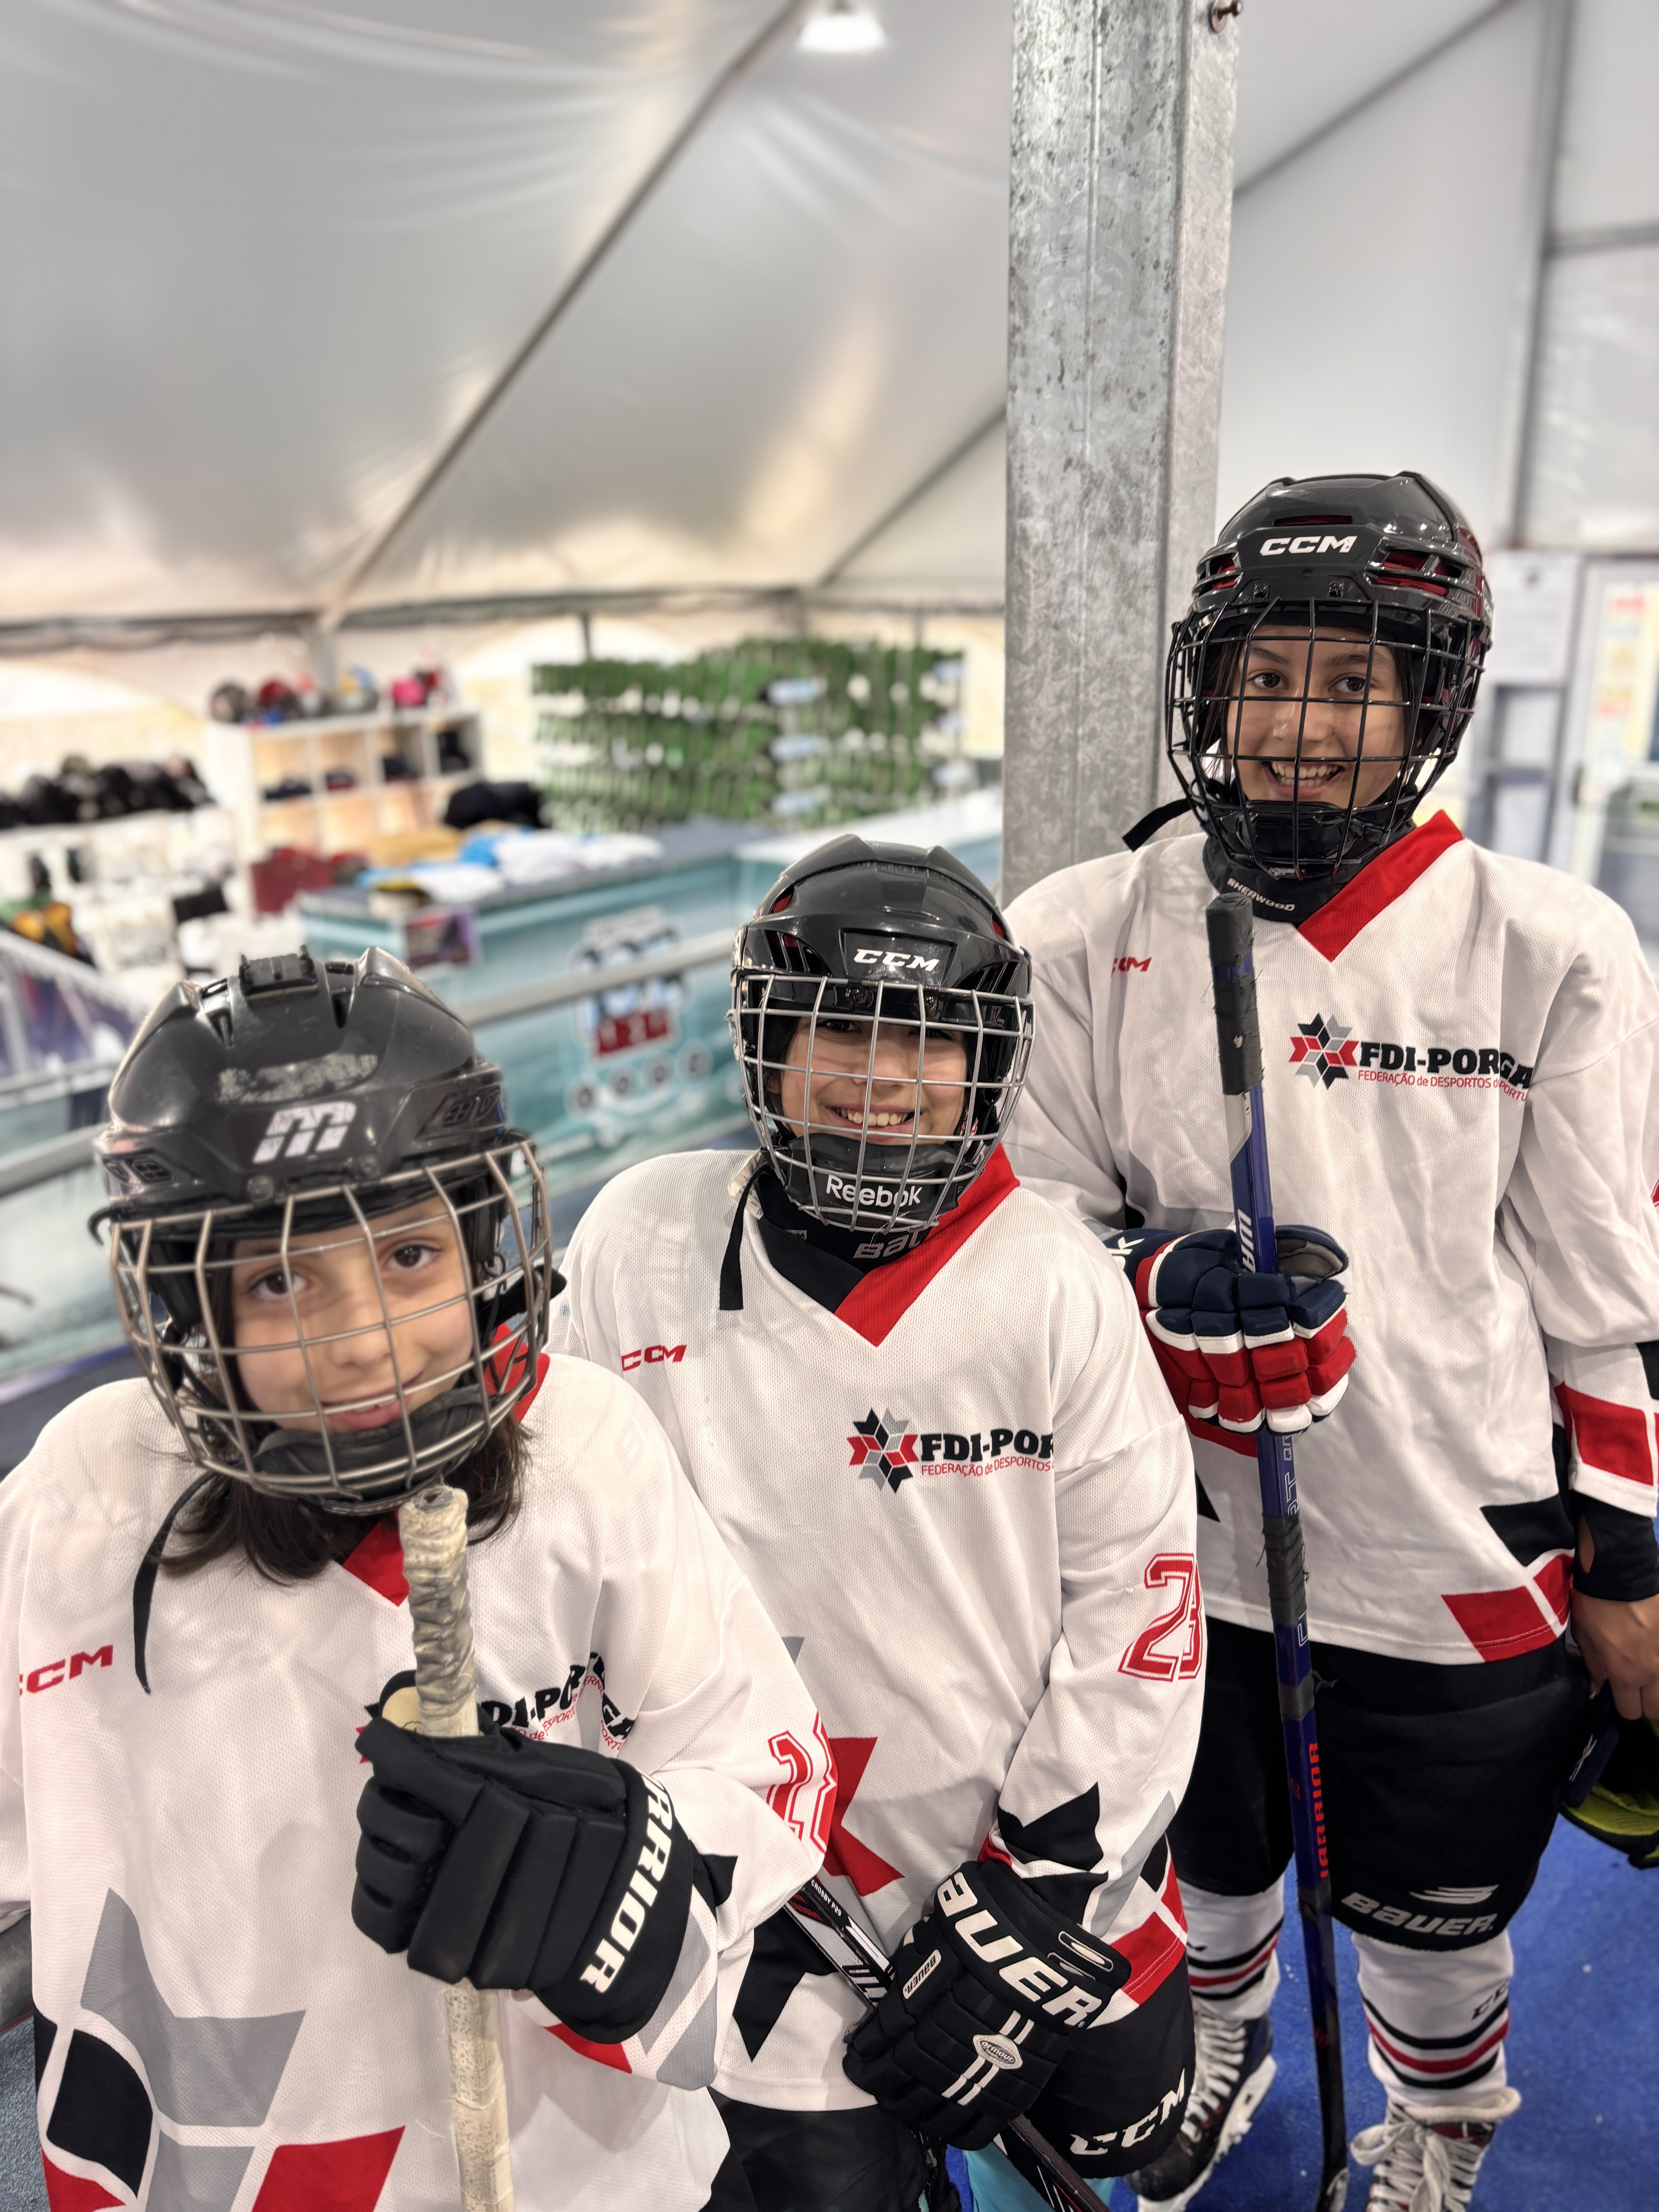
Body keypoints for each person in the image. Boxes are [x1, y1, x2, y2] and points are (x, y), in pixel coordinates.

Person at [1003, 472, 1659, 2212]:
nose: (1299, 724)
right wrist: (1147, 1279)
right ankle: (1225, 2045)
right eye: (1267, 677)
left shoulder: (1552, 947)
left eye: (1351, 683)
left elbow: (1604, 1299)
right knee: (1205, 1865)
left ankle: (1438, 2124)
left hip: (1457, 1550)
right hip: (1168, 1538)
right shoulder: (1080, 928)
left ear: (1427, 701)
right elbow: (1028, 1224)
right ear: (1209, 689)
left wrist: (1632, 1564)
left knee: (1435, 1922)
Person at [0, 945, 831, 2212]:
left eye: (407, 1259)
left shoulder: (584, 1442)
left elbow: (774, 1768)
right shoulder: (86, 1501)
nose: (363, 1342)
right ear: (189, 1311)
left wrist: (634, 1874)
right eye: (280, 1279)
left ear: (484, 1244)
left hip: (585, 2176)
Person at [550, 836, 1205, 2212]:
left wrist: (1036, 1897)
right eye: (840, 1030)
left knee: (1113, 2140)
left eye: (929, 1041)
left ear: (988, 1061)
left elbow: (1140, 1615)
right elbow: (564, 1548)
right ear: (767, 1042)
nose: (883, 1078)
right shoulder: (638, 1240)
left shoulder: (1057, 1284)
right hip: (761, 1905)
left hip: (1024, 1874)